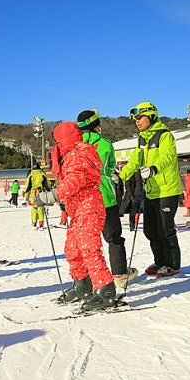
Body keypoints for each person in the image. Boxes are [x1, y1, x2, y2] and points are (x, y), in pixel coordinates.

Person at [36, 122, 116, 311]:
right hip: (78, 209)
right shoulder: (70, 155)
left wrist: (52, 196)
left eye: (56, 141)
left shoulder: (79, 153)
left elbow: (76, 179)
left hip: (89, 207)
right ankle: (82, 285)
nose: (55, 146)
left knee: (89, 248)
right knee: (72, 249)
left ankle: (105, 290)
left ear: (63, 139)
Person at [118, 102, 183, 277]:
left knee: (165, 229)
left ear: (152, 116)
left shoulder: (164, 136)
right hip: (152, 191)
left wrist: (153, 168)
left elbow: (167, 157)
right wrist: (121, 177)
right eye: (135, 119)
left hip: (167, 190)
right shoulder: (142, 139)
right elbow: (135, 161)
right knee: (150, 230)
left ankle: (172, 265)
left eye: (140, 118)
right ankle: (160, 261)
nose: (137, 122)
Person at [76, 109, 136, 288]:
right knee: (113, 237)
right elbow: (110, 168)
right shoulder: (105, 144)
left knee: (86, 241)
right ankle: (119, 274)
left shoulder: (75, 146)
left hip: (83, 201)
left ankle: (87, 277)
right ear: (96, 125)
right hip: (105, 198)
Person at [25, 163, 49, 229]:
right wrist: (48, 192)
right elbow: (46, 185)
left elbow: (28, 186)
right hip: (40, 193)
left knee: (34, 208)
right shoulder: (42, 174)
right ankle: (41, 223)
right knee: (40, 208)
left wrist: (27, 195)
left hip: (32, 193)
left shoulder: (30, 175)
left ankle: (34, 222)